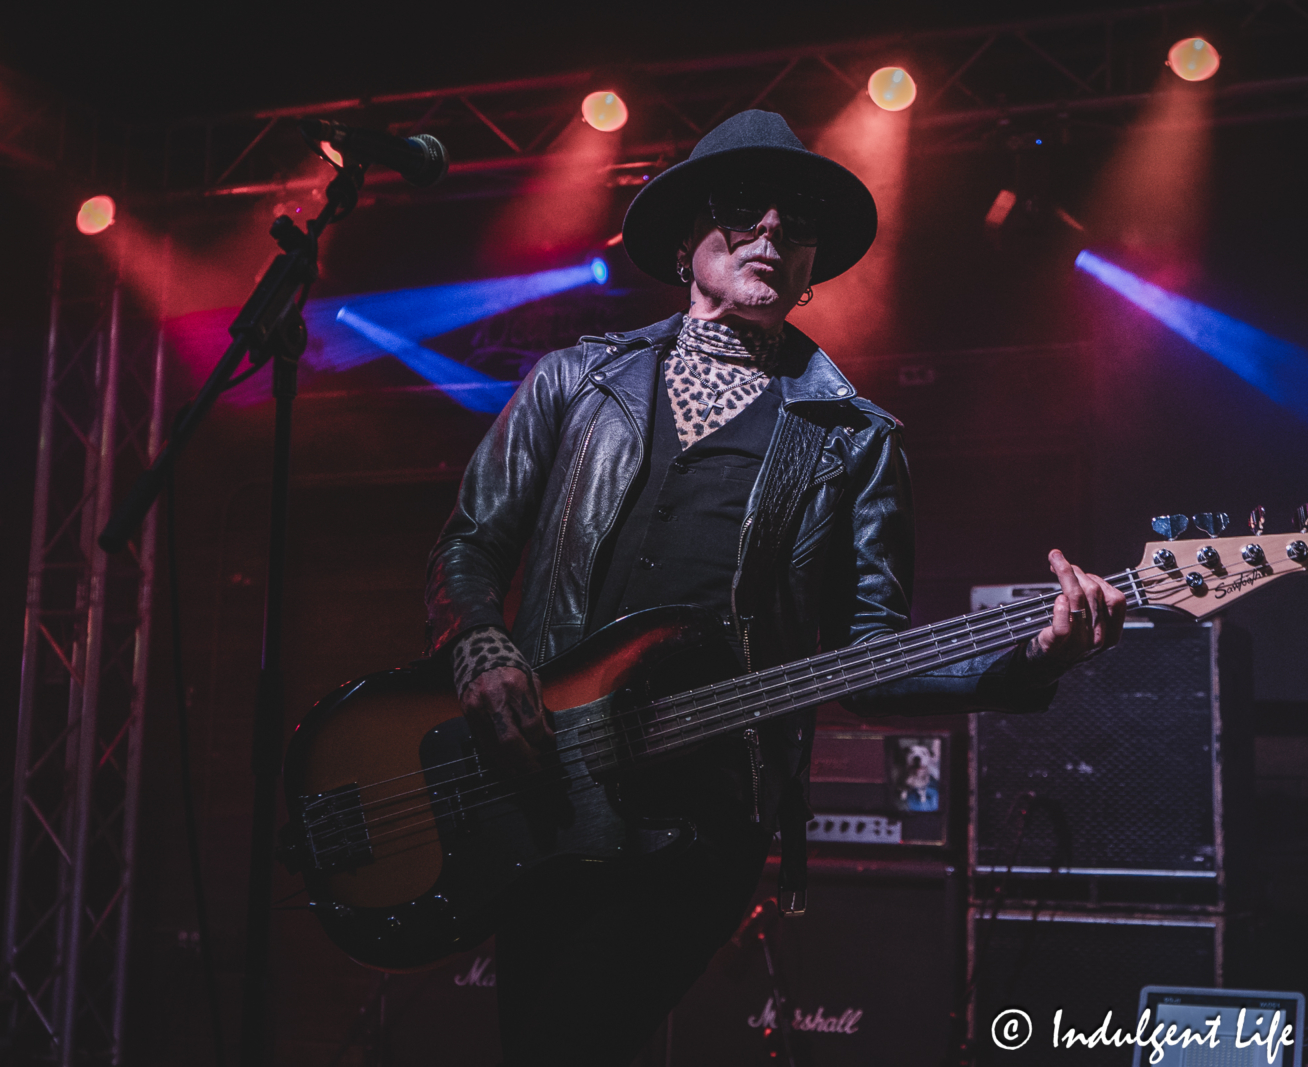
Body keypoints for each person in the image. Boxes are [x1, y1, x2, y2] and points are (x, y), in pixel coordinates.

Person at [424, 109, 1127, 1067]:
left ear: (810, 268)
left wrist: (1036, 656)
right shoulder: (574, 382)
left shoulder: (856, 443)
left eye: (794, 223)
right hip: (544, 786)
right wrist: (483, 645)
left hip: (703, 821)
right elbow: (470, 541)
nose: (769, 230)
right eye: (740, 211)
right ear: (685, 240)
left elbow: (872, 663)